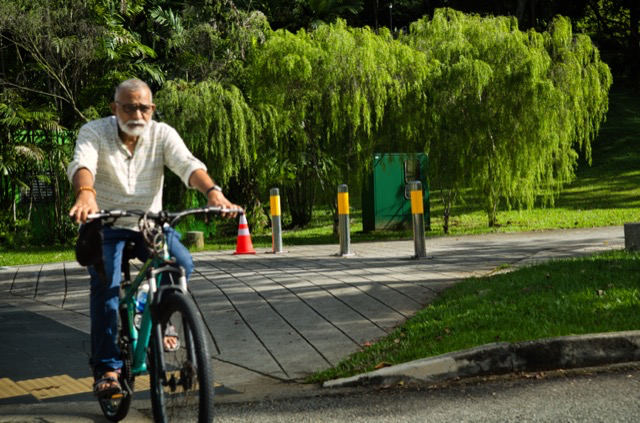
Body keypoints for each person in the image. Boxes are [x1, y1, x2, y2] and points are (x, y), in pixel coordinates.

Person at [68, 78, 241, 398]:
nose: (137, 113)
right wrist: (86, 194)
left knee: (181, 264)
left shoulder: (162, 134)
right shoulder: (94, 131)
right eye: (129, 106)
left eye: (143, 107)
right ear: (114, 108)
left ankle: (156, 312)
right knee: (106, 289)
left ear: (152, 109)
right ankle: (108, 369)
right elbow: (83, 163)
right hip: (105, 224)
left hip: (149, 224)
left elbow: (188, 165)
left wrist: (214, 192)